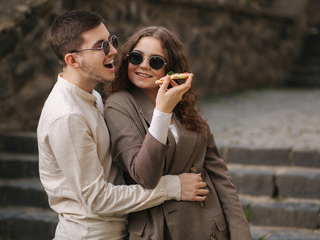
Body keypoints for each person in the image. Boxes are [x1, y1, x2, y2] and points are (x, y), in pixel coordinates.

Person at [37, 11, 209, 240]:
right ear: (73, 60)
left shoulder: (92, 97)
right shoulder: (68, 117)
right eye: (101, 46)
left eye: (111, 41)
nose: (114, 51)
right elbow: (99, 200)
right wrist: (172, 187)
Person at [104, 26, 252, 240]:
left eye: (155, 61)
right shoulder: (119, 104)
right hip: (162, 230)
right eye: (136, 57)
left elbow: (219, 176)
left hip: (208, 225)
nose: (143, 65)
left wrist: (240, 234)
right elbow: (144, 176)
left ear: (169, 69)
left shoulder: (182, 105)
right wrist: (162, 112)